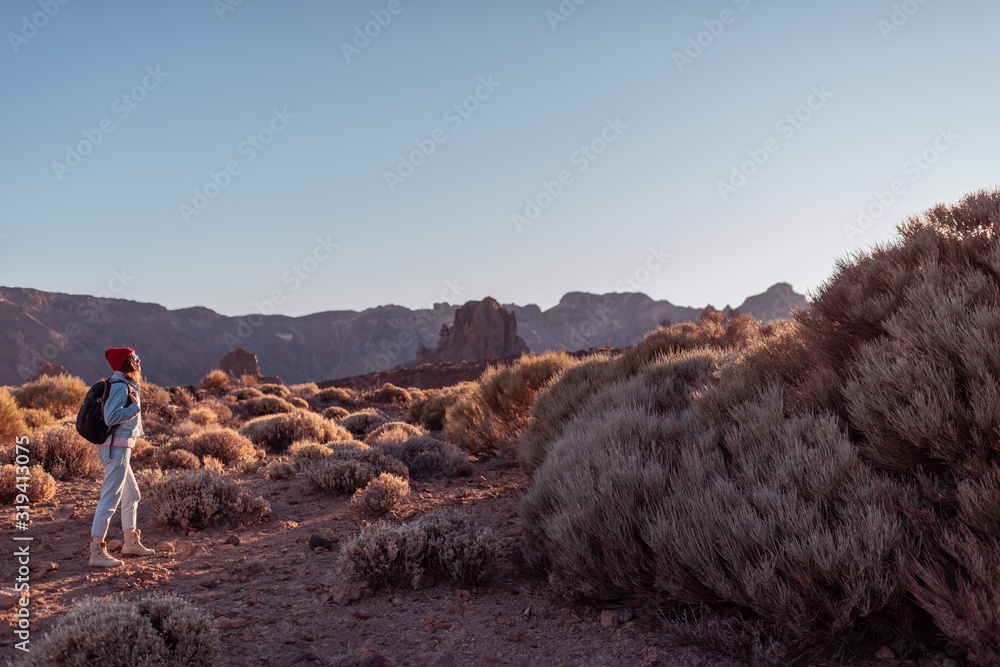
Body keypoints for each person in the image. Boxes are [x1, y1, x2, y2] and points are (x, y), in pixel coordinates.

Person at [89, 347, 155, 567]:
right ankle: (96, 552)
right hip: (115, 451)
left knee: (132, 495)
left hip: (120, 449)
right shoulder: (120, 387)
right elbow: (111, 417)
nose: (139, 360)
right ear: (127, 362)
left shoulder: (125, 385)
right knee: (109, 500)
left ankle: (130, 543)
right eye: (135, 358)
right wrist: (134, 408)